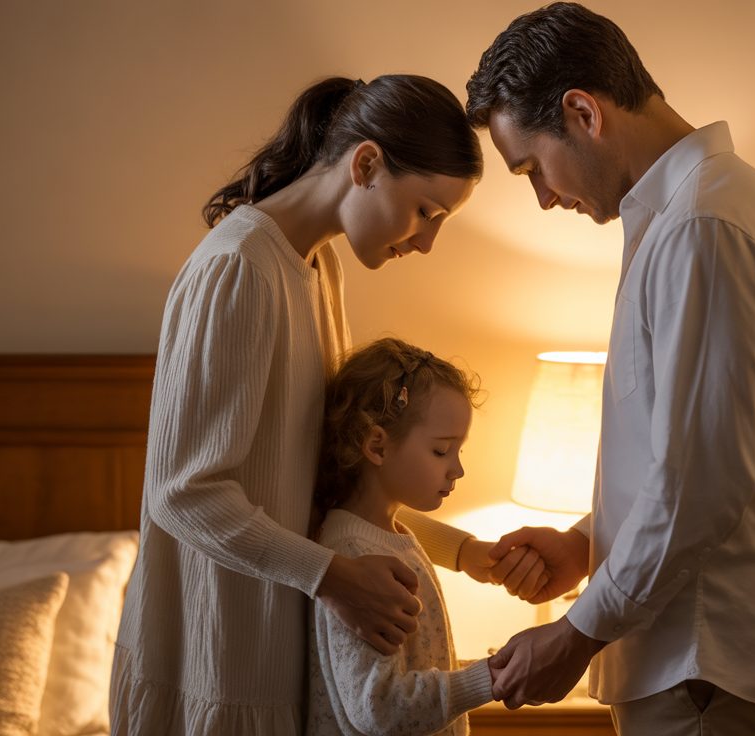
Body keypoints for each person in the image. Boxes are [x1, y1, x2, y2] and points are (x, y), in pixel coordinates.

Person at [111, 74, 545, 735]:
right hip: (222, 661)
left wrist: (464, 553)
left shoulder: (316, 268)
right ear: (366, 164)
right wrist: (334, 577)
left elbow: (326, 482)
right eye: (426, 211)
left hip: (279, 655)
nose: (427, 242)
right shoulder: (238, 268)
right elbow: (186, 493)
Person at [465, 4, 755, 735]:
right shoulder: (680, 220)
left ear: (583, 112)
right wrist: (584, 545)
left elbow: (703, 486)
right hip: (684, 661)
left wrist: (576, 633)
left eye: (531, 166)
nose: (542, 197)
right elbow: (678, 462)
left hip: (697, 663)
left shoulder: (704, 226)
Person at [308, 338, 500, 736]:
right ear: (377, 445)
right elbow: (379, 708)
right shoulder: (354, 556)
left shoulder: (394, 536)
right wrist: (489, 679)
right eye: (441, 451)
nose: (457, 470)